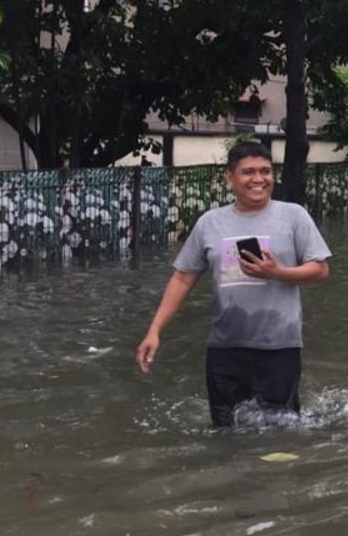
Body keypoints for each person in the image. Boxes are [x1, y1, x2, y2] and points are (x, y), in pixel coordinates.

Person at [135, 141, 332, 428]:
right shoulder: (210, 223)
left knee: (279, 431)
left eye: (265, 171)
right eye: (248, 172)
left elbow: (321, 269)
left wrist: (277, 272)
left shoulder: (293, 216)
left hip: (279, 346)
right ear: (229, 178)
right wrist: (154, 330)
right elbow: (183, 277)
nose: (258, 179)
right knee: (225, 430)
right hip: (224, 347)